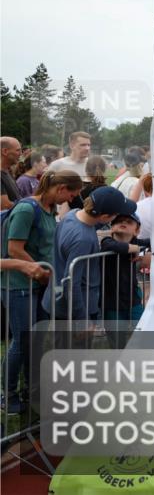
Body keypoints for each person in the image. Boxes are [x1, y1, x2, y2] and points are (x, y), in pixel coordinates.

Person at [1, 169, 83, 413]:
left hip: (39, 285)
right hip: (18, 285)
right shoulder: (27, 209)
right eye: (71, 194)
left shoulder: (51, 210)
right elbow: (14, 249)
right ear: (60, 189)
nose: (70, 200)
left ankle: (30, 389)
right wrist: (39, 270)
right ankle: (8, 393)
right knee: (22, 340)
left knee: (35, 340)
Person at [43, 185, 136, 322]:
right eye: (116, 215)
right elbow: (71, 282)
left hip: (57, 300)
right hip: (75, 310)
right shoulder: (83, 240)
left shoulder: (73, 214)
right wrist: (82, 319)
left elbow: (91, 224)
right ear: (105, 217)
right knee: (72, 344)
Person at [100, 213, 149, 323]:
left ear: (137, 231)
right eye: (119, 221)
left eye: (129, 222)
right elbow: (116, 247)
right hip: (111, 303)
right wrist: (136, 249)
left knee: (141, 332)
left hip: (133, 300)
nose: (123, 222)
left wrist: (149, 253)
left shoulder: (136, 242)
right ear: (112, 227)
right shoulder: (107, 241)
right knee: (117, 337)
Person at [1, 137, 23, 210]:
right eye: (18, 150)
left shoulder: (7, 171)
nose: (21, 154)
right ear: (5, 151)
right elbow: (5, 205)